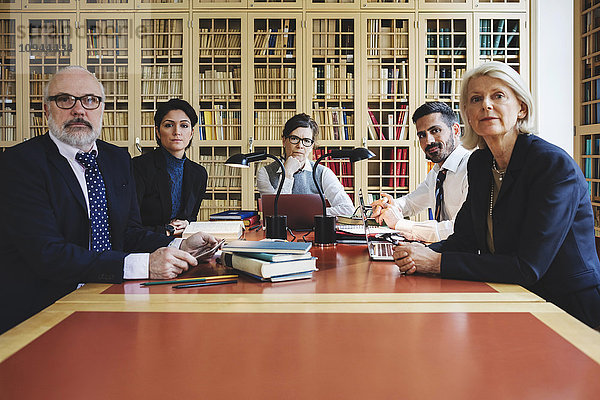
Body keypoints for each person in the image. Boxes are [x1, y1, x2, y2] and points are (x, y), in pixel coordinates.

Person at [0, 66, 218, 334]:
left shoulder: (116, 159)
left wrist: (180, 244)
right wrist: (142, 264)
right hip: (43, 311)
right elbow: (48, 254)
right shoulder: (19, 164)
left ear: (102, 109)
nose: (79, 110)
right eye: (65, 99)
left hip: (111, 296)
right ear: (47, 110)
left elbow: (128, 232)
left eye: (90, 100)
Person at [393, 61, 600, 329]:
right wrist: (415, 253)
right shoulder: (480, 163)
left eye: (498, 96)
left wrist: (436, 262)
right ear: (467, 114)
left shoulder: (551, 165)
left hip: (568, 309)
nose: (486, 105)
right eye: (475, 99)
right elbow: (464, 240)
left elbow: (528, 267)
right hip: (510, 297)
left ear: (521, 107)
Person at [371, 102, 470, 242]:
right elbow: (412, 203)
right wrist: (389, 206)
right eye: (422, 135)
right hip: (442, 251)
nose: (428, 141)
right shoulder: (437, 172)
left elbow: (459, 229)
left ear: (455, 130)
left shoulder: (471, 168)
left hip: (462, 257)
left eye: (435, 131)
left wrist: (400, 224)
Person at [132, 99, 207, 236]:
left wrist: (187, 224)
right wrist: (167, 230)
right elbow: (130, 224)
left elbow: (191, 217)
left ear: (191, 133)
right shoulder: (139, 167)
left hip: (182, 242)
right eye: (169, 125)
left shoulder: (199, 174)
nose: (177, 132)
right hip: (148, 245)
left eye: (184, 126)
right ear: (158, 132)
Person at [256, 113, 355, 217]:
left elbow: (348, 209)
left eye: (306, 141)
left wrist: (311, 214)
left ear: (312, 146)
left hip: (315, 232)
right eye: (294, 138)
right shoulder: (265, 173)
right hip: (279, 233)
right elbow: (275, 214)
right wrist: (288, 173)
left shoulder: (322, 173)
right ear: (284, 141)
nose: (300, 146)